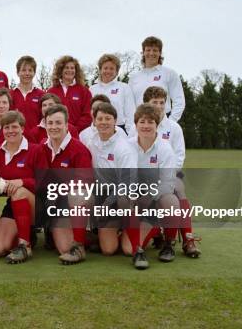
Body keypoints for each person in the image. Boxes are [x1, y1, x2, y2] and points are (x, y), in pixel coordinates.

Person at [143, 86, 200, 258]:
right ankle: (157, 233)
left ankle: (187, 238)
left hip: (170, 174)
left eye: (162, 102)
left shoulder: (174, 128)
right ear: (146, 104)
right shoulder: (139, 124)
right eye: (155, 102)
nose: (159, 106)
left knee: (178, 189)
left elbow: (179, 156)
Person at [122, 104, 180, 269]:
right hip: (135, 198)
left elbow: (168, 183)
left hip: (156, 198)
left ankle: (168, 243)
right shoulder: (127, 145)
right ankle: (137, 249)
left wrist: (149, 196)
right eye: (142, 121)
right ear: (136, 124)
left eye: (150, 122)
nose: (146, 126)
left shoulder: (165, 149)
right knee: (126, 249)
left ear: (157, 125)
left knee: (171, 202)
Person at [38, 105, 93, 264]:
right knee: (62, 248)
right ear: (45, 124)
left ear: (66, 124)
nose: (54, 127)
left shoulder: (79, 149)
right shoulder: (42, 147)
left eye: (58, 123)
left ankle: (81, 243)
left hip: (73, 200)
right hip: (53, 200)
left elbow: (85, 183)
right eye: (50, 123)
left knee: (66, 248)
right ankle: (47, 227)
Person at [84, 102, 138, 260]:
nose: (103, 122)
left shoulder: (124, 147)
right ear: (94, 122)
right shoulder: (91, 143)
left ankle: (131, 227)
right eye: (100, 118)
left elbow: (126, 186)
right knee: (108, 250)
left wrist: (106, 205)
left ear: (115, 121)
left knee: (129, 250)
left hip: (124, 197)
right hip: (104, 197)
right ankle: (112, 231)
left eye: (108, 118)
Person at [0, 111, 42, 263]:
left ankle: (24, 245)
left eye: (14, 127)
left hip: (38, 204)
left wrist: (23, 181)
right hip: (14, 206)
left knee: (19, 192)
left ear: (22, 128)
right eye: (6, 127)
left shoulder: (36, 150)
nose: (10, 131)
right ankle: (26, 233)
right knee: (0, 248)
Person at [128, 36, 185, 121]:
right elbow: (129, 105)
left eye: (155, 50)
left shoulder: (169, 73)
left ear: (160, 53)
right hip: (140, 122)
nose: (151, 53)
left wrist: (171, 121)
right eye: (148, 50)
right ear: (143, 52)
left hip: (163, 120)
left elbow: (179, 100)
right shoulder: (134, 77)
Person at [89, 53, 136, 134]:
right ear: (100, 70)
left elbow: (130, 114)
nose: (108, 71)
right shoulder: (92, 89)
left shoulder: (124, 88)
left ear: (117, 71)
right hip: (97, 130)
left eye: (111, 68)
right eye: (105, 68)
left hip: (119, 129)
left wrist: (130, 134)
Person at [47, 55, 92, 131]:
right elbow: (47, 113)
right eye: (66, 68)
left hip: (78, 133)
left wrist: (75, 129)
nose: (69, 70)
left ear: (76, 71)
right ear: (60, 70)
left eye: (72, 68)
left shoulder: (84, 91)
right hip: (56, 132)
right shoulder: (51, 91)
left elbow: (88, 114)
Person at [10, 56, 44, 134]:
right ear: (18, 72)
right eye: (24, 70)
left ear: (34, 73)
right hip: (15, 137)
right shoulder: (10, 94)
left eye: (30, 70)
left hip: (36, 137)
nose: (27, 73)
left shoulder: (41, 95)